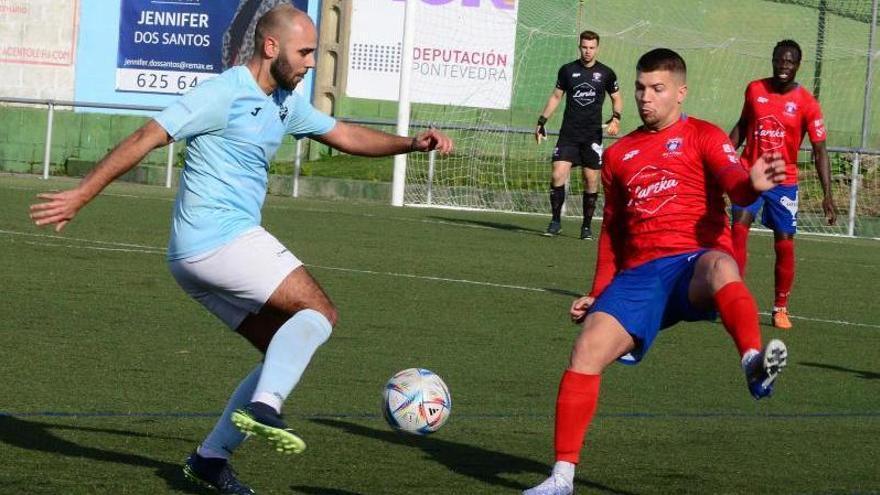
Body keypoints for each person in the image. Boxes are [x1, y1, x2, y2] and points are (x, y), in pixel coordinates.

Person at [30, 5, 453, 495]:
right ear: (271, 47)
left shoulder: (285, 102)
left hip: (192, 259)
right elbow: (147, 136)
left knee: (283, 347)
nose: (311, 62)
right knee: (319, 312)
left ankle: (209, 460)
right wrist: (81, 194)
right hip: (219, 238)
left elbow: (343, 134)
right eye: (305, 51)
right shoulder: (223, 92)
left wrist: (411, 144)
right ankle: (266, 406)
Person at [523, 48, 789, 495]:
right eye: (642, 88)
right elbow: (612, 232)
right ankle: (561, 478)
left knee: (723, 264)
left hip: (693, 263)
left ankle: (752, 362)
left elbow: (735, 182)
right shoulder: (620, 154)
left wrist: (752, 184)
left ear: (680, 93)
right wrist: (599, 293)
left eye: (657, 89)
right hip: (641, 276)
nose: (646, 98)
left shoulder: (704, 135)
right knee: (586, 349)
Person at [729, 39, 836, 330]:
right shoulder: (755, 89)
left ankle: (780, 307)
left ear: (798, 65)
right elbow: (741, 125)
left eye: (790, 62)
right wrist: (724, 161)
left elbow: (820, 150)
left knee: (784, 244)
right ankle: (733, 300)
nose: (784, 66)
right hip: (749, 173)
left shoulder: (807, 103)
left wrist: (828, 194)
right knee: (737, 230)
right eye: (780, 60)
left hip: (782, 178)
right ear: (773, 60)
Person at [535, 30, 623, 240]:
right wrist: (541, 121)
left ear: (597, 48)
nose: (588, 51)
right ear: (580, 46)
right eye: (584, 47)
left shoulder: (606, 74)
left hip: (592, 135)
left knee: (590, 180)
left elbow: (617, 98)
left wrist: (616, 118)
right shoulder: (567, 70)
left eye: (592, 47)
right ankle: (555, 221)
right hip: (569, 134)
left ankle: (586, 227)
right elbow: (556, 97)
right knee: (557, 174)